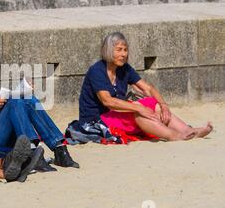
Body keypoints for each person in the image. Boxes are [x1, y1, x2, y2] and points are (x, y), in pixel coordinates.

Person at [78, 32, 213, 141]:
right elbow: (108, 101)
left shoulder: (124, 68)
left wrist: (164, 105)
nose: (124, 54)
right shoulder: (97, 70)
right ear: (108, 50)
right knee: (139, 111)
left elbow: (148, 88)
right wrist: (139, 107)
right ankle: (173, 135)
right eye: (119, 50)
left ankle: (187, 130)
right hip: (97, 120)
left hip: (115, 115)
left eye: (125, 50)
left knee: (151, 102)